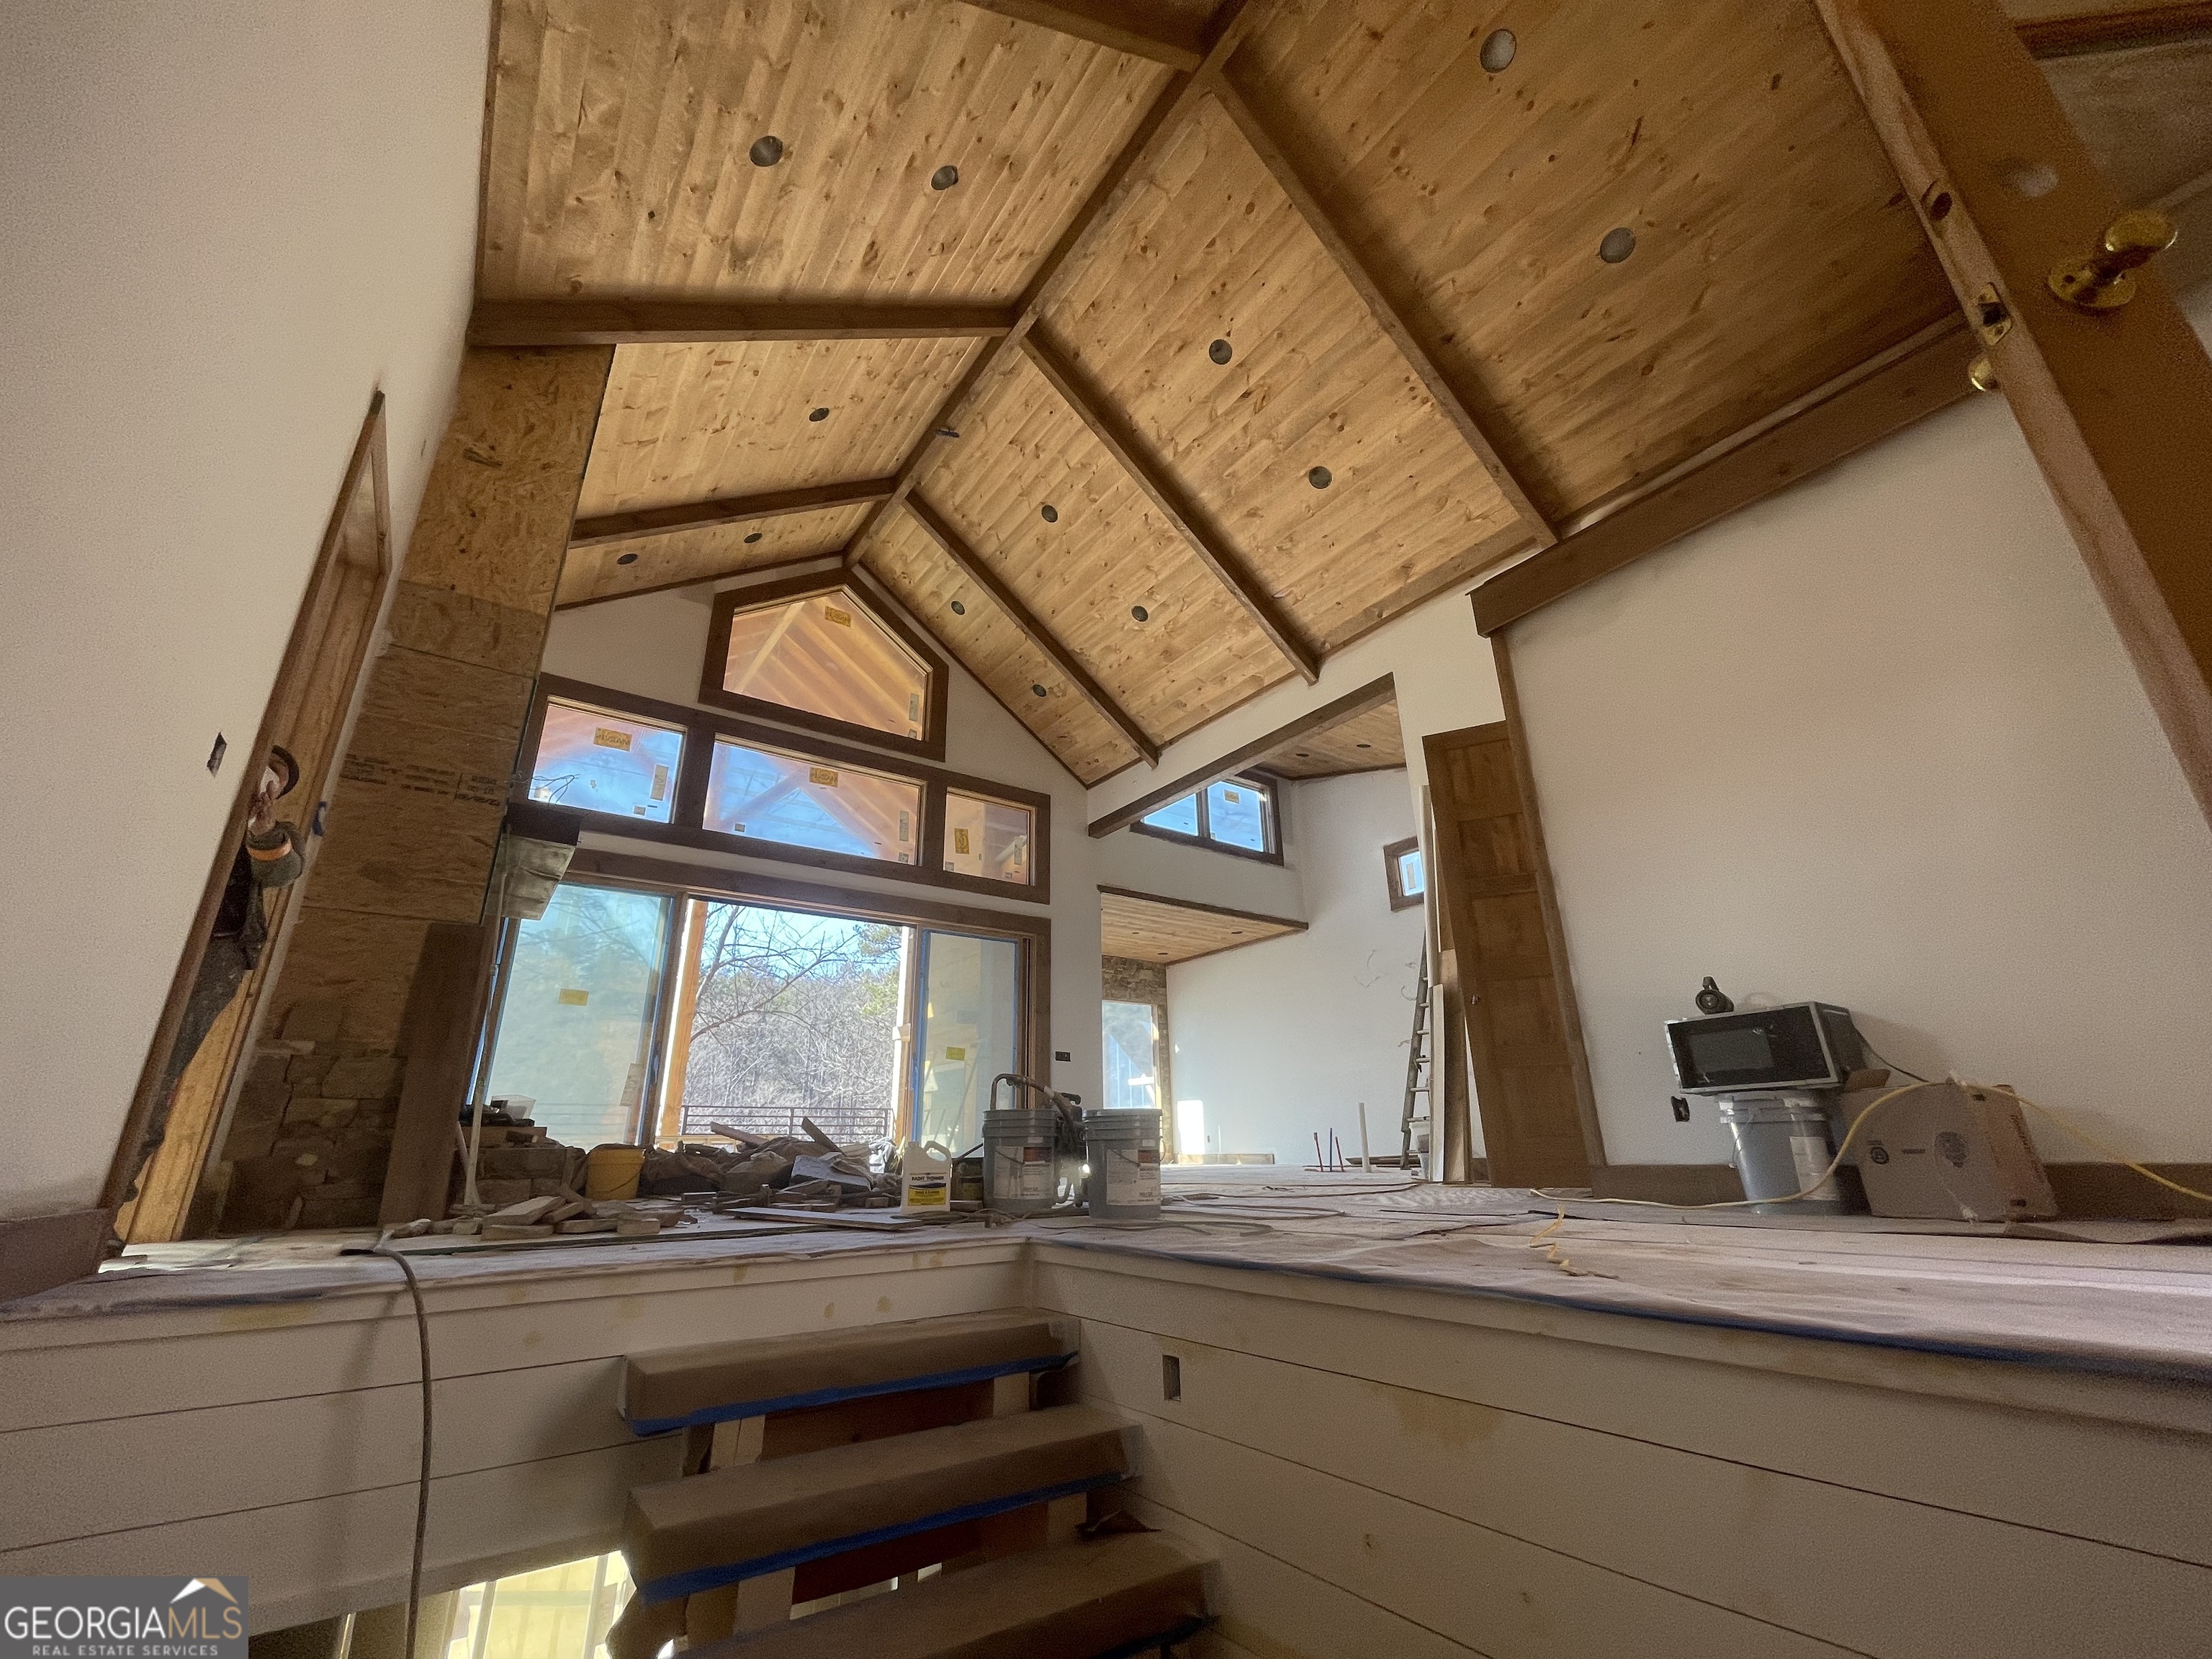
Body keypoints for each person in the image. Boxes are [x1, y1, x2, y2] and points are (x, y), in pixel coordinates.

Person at [122, 745, 307, 1202]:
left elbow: (283, 872)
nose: (268, 777)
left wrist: (262, 833)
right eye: (265, 765)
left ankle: (115, 1196)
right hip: (151, 937)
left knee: (163, 1066)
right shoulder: (194, 798)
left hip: (219, 953)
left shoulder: (275, 833)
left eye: (278, 777)